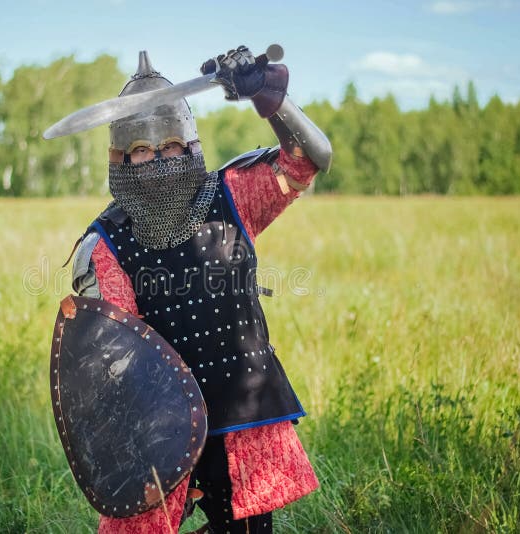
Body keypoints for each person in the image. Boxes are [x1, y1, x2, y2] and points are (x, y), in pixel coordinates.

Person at [69, 46, 332, 533]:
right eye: (144, 150)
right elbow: (116, 360)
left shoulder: (231, 194)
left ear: (189, 145)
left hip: (240, 403)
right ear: (122, 158)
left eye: (170, 146)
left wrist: (272, 101)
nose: (160, 159)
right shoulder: (107, 242)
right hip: (160, 425)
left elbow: (310, 160)